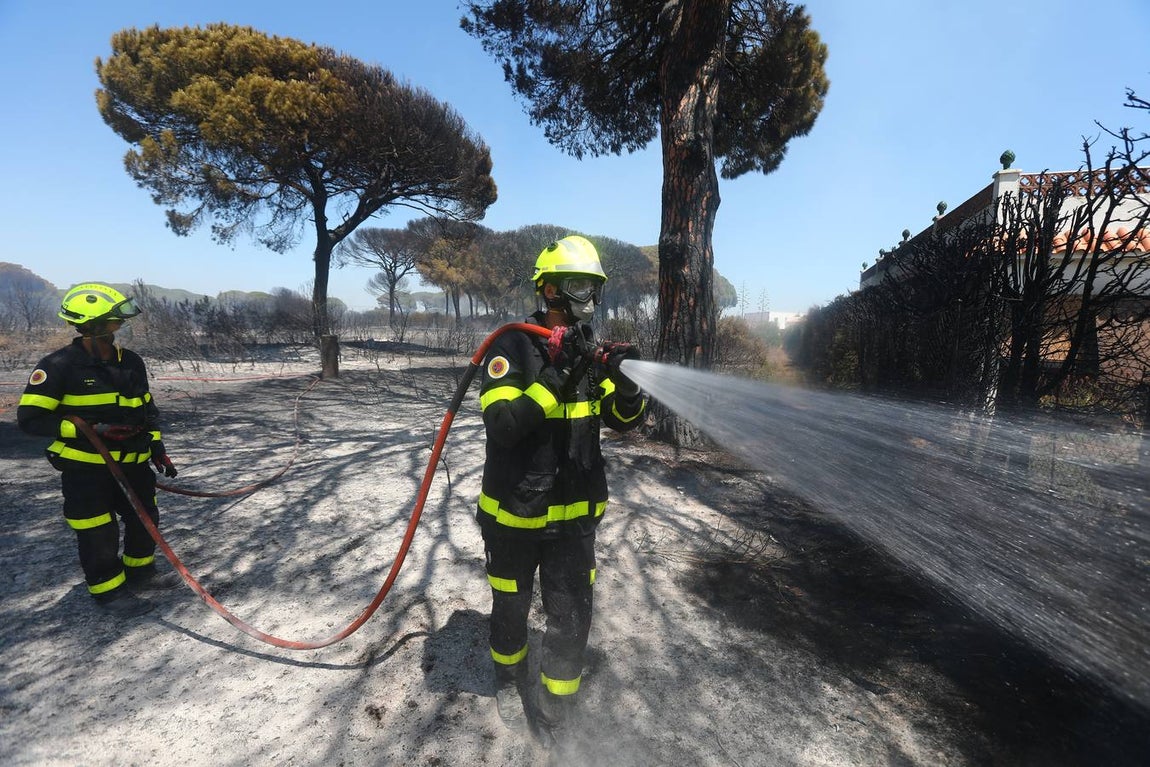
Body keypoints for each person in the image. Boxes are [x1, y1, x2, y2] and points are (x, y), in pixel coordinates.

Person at [475, 235, 647, 746]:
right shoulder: (510, 347)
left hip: (573, 521)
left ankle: (556, 704)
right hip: (513, 517)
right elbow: (504, 425)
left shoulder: (589, 352)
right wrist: (555, 374)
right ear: (547, 288)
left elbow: (624, 419)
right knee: (511, 606)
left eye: (593, 287)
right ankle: (508, 678)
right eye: (577, 286)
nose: (586, 298)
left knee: (570, 614)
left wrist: (628, 382)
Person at [17, 283, 180, 618]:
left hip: (134, 463)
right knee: (97, 529)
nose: (120, 326)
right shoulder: (58, 366)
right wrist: (87, 429)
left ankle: (140, 573)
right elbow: (31, 419)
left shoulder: (132, 362)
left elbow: (146, 408)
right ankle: (108, 591)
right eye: (113, 321)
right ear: (92, 326)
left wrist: (157, 446)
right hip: (87, 470)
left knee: (144, 518)